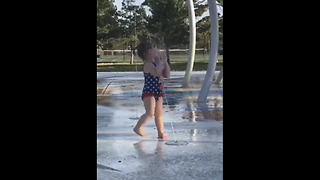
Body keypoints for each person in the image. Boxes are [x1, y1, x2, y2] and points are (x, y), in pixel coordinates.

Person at [133, 41, 170, 139]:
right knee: (150, 113)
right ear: (150, 51)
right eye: (156, 48)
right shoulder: (148, 64)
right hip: (149, 92)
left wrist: (165, 62)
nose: (158, 50)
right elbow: (157, 73)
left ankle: (160, 133)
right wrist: (161, 63)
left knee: (159, 114)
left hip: (158, 92)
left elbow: (167, 75)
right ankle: (138, 127)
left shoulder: (157, 63)